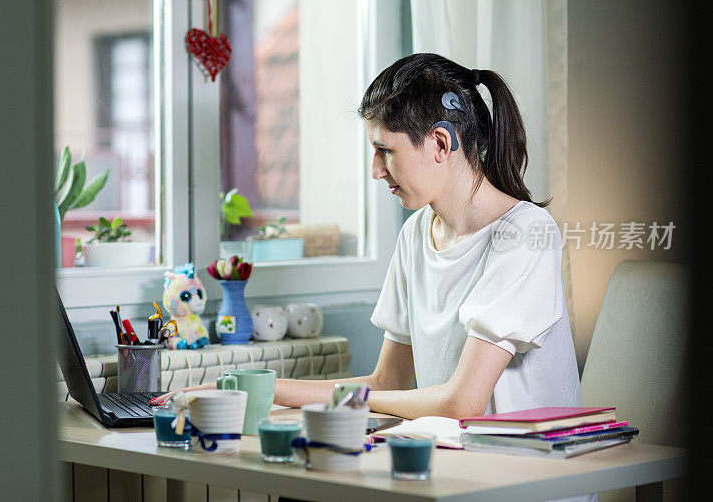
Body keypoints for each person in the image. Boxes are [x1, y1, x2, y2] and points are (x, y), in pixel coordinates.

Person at [190, 52, 583, 421]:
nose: (376, 170)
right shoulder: (416, 234)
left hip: (524, 477)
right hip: (453, 462)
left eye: (385, 150)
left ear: (442, 143)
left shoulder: (526, 233)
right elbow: (387, 383)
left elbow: (463, 403)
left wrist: (287, 392)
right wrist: (261, 389)